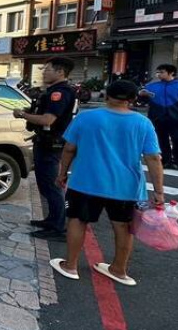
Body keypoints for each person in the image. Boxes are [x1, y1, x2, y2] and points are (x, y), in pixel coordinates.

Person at [49, 80, 165, 286]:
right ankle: (119, 270)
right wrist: (159, 192)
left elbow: (69, 148)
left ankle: (71, 265)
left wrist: (62, 173)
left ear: (106, 95)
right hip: (126, 187)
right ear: (132, 99)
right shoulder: (143, 123)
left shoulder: (86, 118)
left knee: (77, 220)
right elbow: (153, 158)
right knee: (123, 227)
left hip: (85, 182)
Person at [13, 57, 77, 240]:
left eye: (47, 69)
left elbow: (48, 120)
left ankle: (58, 228)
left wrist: (22, 114)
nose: (43, 72)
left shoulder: (60, 93)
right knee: (45, 184)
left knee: (51, 185)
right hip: (46, 142)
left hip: (52, 144)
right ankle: (51, 220)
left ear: (60, 72)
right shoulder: (54, 91)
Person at [138, 64, 178, 170]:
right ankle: (165, 160)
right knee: (161, 140)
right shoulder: (152, 87)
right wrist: (141, 96)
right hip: (158, 118)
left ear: (171, 72)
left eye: (161, 72)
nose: (158, 74)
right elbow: (142, 102)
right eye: (157, 72)